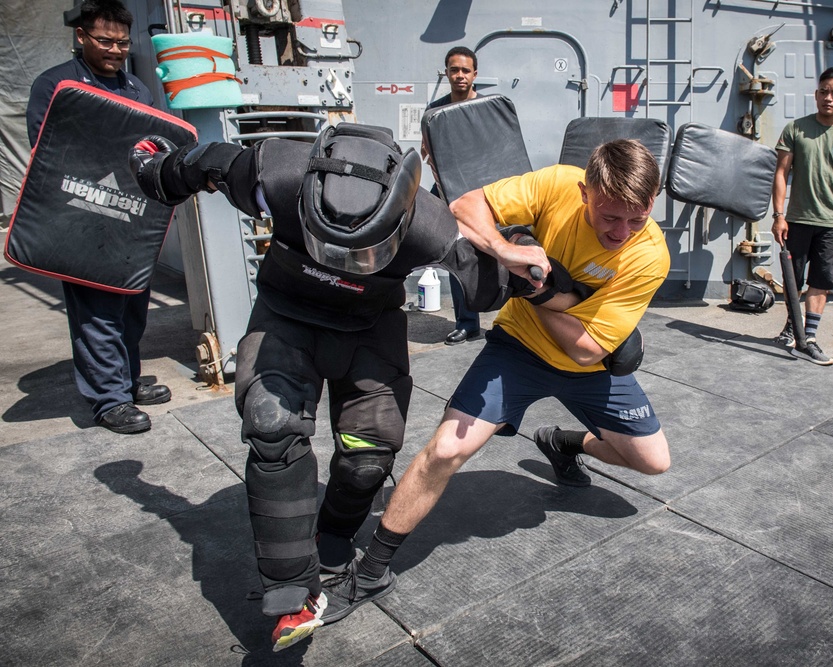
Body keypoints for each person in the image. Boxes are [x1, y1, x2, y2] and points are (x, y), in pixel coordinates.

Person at [128, 122, 549, 651]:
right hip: (286, 314)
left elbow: (497, 282)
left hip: (369, 326)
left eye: (360, 253)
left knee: (370, 452)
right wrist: (155, 168)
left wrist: (536, 262)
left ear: (400, 221)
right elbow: (200, 164)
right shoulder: (276, 173)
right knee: (272, 426)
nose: (344, 263)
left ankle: (331, 535)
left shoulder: (430, 226)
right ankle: (290, 587)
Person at [320, 139, 673, 623]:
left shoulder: (649, 255)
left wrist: (531, 289)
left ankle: (563, 442)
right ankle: (373, 570)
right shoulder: (557, 184)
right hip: (519, 349)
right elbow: (466, 207)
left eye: (637, 218)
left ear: (652, 202)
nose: (622, 232)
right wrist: (507, 250)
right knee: (445, 450)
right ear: (584, 192)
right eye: (610, 217)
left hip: (587, 366)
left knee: (653, 462)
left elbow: (587, 348)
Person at [26, 0, 171, 434]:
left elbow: (150, 148)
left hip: (129, 219)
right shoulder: (56, 85)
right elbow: (47, 151)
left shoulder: (137, 90)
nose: (115, 50)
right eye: (105, 41)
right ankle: (109, 401)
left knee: (132, 305)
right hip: (83, 217)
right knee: (97, 311)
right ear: (81, 36)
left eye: (122, 43)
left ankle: (126, 381)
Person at [771, 66, 833, 366]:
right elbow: (781, 173)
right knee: (793, 280)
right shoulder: (796, 129)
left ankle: (808, 338)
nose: (828, 98)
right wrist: (778, 215)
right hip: (797, 220)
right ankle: (793, 327)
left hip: (832, 223)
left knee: (821, 281)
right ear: (816, 94)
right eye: (823, 92)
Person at [422, 46, 482, 344]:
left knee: (493, 253)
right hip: (447, 191)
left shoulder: (487, 108)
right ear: (446, 72)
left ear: (475, 74)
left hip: (483, 192)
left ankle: (511, 321)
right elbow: (427, 153)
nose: (460, 75)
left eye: (465, 70)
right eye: (454, 70)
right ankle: (467, 323)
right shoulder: (434, 111)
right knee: (454, 254)